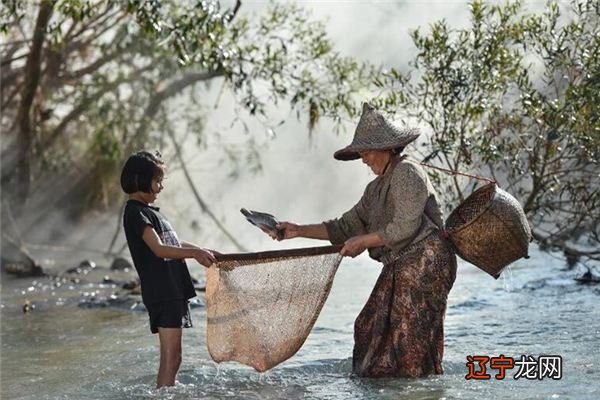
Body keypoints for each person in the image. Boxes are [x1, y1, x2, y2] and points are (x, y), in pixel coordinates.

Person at [272, 103, 457, 378]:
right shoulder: (375, 189)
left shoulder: (408, 172)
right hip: (400, 265)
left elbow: (405, 227)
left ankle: (415, 390)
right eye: (361, 154)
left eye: (368, 152)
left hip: (425, 263)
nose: (364, 159)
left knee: (409, 337)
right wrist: (297, 230)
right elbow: (345, 227)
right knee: (369, 326)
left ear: (388, 148)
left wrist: (364, 241)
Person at [120, 150, 217, 388]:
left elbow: (173, 244)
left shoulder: (149, 213)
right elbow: (159, 249)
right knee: (171, 358)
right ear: (140, 180)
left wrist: (202, 250)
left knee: (175, 358)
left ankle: (167, 392)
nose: (160, 187)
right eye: (157, 181)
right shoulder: (136, 212)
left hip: (171, 290)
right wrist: (194, 254)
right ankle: (164, 392)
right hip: (163, 292)